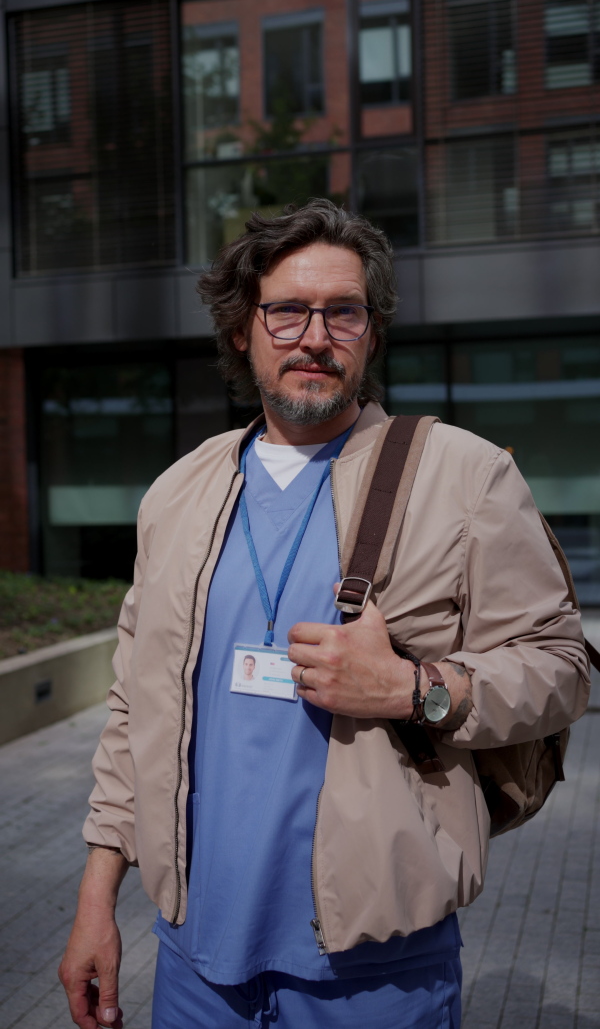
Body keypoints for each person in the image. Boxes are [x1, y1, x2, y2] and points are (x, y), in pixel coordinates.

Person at [59, 200, 590, 1029]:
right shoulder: (179, 493)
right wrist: (97, 900)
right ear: (244, 328)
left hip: (376, 969)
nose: (315, 336)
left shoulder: (463, 475)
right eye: (287, 310)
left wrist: (416, 688)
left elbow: (560, 664)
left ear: (371, 331)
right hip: (195, 959)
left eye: (343, 311)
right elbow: (134, 712)